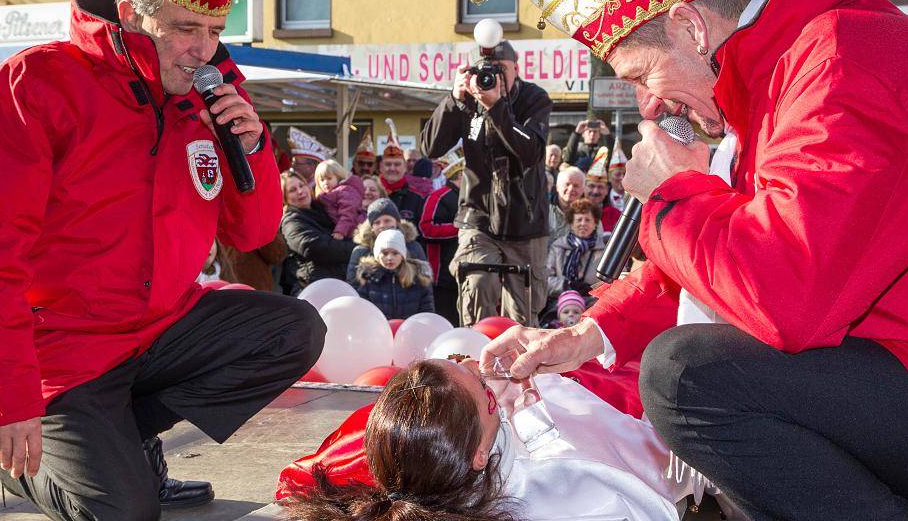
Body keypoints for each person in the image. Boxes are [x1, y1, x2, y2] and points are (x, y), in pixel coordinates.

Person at [485, 0, 908, 519]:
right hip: (887, 362)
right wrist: (587, 334)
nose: (647, 106)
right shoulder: (789, 69)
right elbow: (725, 265)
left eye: (643, 76)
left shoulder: (841, 58)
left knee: (685, 375)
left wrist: (674, 193)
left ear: (691, 27)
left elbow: (784, 293)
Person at [0, 0, 327, 518]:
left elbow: (252, 233)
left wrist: (250, 149)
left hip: (161, 328)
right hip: (63, 350)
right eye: (187, 29)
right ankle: (19, 463)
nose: (204, 50)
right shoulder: (36, 83)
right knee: (127, 512)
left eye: (214, 32)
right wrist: (3, 394)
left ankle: (118, 436)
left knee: (294, 330)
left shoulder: (210, 99)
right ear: (129, 13)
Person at [276, 359, 697, 521]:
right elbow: (656, 497)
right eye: (483, 386)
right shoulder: (568, 486)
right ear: (479, 453)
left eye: (462, 361)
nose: (481, 365)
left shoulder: (400, 448)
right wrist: (537, 414)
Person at [421, 40, 552, 327]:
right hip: (477, 217)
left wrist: (496, 108)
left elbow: (531, 152)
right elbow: (430, 147)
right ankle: (473, 358)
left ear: (516, 68)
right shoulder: (467, 101)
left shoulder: (534, 98)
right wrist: (454, 100)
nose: (492, 77)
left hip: (526, 223)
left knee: (522, 315)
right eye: (483, 70)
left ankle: (519, 368)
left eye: (500, 69)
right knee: (478, 283)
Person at [280, 171, 356, 295]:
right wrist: (356, 249)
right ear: (285, 198)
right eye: (292, 190)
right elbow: (314, 247)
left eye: (302, 185)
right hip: (313, 289)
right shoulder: (291, 221)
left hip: (340, 283)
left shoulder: (324, 209)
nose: (300, 191)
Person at [419, 159, 464, 326]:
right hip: (442, 278)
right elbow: (426, 227)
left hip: (466, 275)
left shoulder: (472, 199)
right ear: (460, 173)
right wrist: (461, 229)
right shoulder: (438, 196)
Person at [354, 230, 434, 320]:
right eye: (384, 253)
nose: (390, 258)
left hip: (410, 331)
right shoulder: (369, 279)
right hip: (379, 331)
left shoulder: (416, 278)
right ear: (377, 255)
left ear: (403, 255)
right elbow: (362, 312)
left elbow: (427, 311)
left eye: (395, 253)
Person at [346, 198, 428, 284]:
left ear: (397, 222)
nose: (382, 226)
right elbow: (353, 284)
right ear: (372, 227)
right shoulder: (361, 251)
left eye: (387, 221)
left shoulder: (413, 247)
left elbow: (425, 282)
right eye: (377, 222)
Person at [547, 199, 609, 298]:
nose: (583, 223)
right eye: (579, 220)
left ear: (595, 224)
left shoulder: (605, 250)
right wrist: (567, 285)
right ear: (571, 224)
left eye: (587, 220)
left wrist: (593, 290)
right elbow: (546, 280)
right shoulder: (558, 247)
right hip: (562, 303)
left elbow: (612, 282)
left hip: (594, 303)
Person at [379, 120, 426, 225]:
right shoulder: (372, 193)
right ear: (381, 167)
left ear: (405, 167)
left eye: (397, 164)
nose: (392, 168)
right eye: (388, 164)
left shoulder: (417, 198)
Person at [314, 159, 366, 240]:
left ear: (338, 177)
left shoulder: (344, 191)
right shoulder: (327, 196)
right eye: (322, 180)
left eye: (329, 178)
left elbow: (348, 212)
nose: (325, 182)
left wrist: (340, 231)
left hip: (356, 230)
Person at [548, 165, 586, 242]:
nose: (571, 189)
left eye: (576, 186)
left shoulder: (591, 217)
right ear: (557, 187)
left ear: (583, 190)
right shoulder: (543, 211)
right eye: (567, 184)